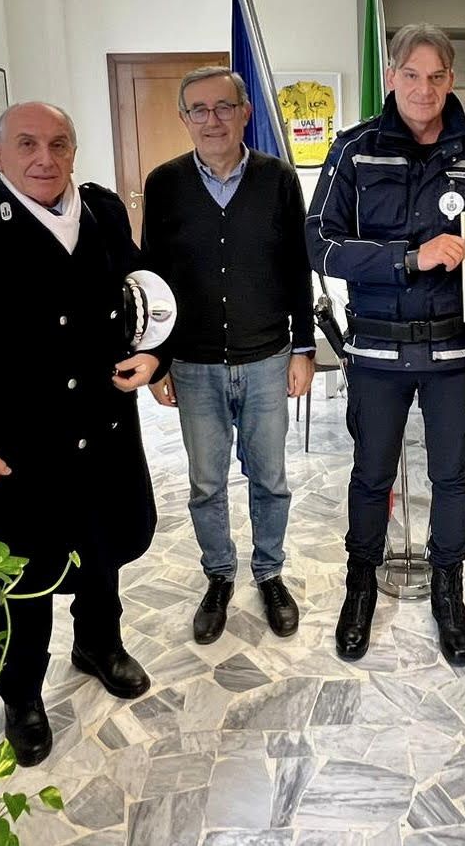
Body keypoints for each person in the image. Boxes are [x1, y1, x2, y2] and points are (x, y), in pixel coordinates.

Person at [0, 102, 164, 767]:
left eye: (58, 143)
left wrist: (155, 354)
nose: (44, 158)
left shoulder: (103, 211)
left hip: (103, 427)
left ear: (74, 150)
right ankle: (20, 693)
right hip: (17, 442)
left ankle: (99, 644)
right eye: (26, 144)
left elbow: (142, 291)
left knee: (101, 550)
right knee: (21, 575)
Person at [306, 24, 465, 666]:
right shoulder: (355, 149)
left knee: (452, 477)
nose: (424, 88)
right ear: (391, 75)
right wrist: (408, 257)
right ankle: (360, 586)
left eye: (436, 76)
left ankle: (449, 589)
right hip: (376, 352)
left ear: (451, 79)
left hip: (455, 351)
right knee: (371, 476)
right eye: (411, 74)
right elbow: (320, 244)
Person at [142, 67, 314, 645]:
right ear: (184, 118)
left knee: (270, 478)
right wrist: (157, 359)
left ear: (245, 112)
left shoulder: (278, 179)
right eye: (199, 109)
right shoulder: (164, 183)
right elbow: (152, 277)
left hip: (266, 358)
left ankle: (269, 573)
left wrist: (304, 347)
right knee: (206, 484)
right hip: (193, 366)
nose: (212, 119)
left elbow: (296, 268)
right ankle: (218, 575)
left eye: (224, 107)